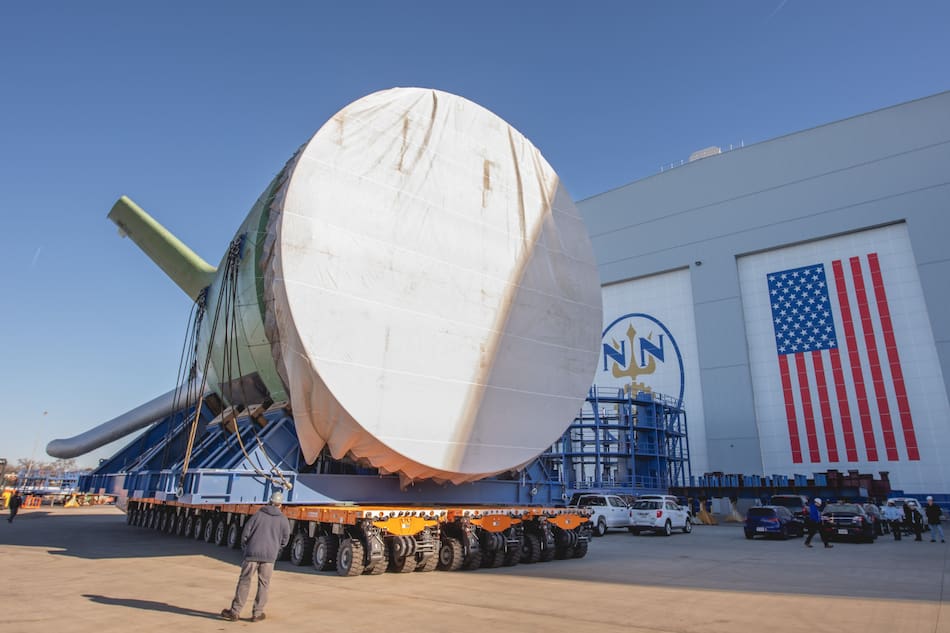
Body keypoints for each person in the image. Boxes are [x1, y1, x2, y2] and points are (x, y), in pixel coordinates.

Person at [221, 491, 291, 623]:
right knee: (264, 584)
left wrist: (246, 548)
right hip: (269, 557)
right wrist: (275, 548)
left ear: (269, 501)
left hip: (252, 554)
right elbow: (285, 539)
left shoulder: (258, 515)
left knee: (244, 581)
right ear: (280, 504)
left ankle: (235, 612)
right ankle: (257, 614)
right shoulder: (283, 519)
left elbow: (245, 533)